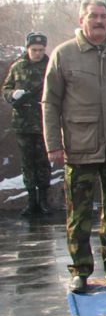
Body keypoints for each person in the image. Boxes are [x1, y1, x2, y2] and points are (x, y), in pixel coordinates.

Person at [42, 0, 106, 294]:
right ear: (82, 19)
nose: (99, 21)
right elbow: (50, 104)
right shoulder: (65, 55)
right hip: (79, 147)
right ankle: (81, 270)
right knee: (79, 214)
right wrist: (54, 144)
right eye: (94, 16)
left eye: (103, 16)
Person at [2, 32, 53, 215]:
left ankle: (44, 200)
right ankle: (31, 200)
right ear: (27, 48)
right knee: (27, 163)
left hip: (44, 122)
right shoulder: (18, 67)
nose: (38, 53)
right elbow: (6, 89)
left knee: (44, 162)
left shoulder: (50, 66)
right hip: (23, 123)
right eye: (34, 50)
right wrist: (12, 95)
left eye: (41, 50)